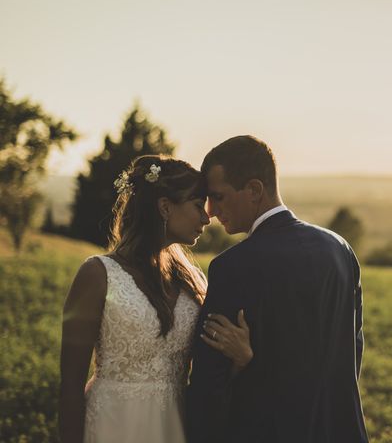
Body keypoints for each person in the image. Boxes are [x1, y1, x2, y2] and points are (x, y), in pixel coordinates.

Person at [59, 155, 253, 443]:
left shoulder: (193, 281)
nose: (206, 217)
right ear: (165, 207)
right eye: (198, 206)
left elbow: (207, 371)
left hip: (174, 426)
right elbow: (70, 387)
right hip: (113, 425)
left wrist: (240, 356)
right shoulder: (97, 274)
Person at [187, 136, 369, 442]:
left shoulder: (233, 267)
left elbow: (210, 381)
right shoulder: (340, 249)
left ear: (254, 190)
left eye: (218, 197)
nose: (210, 211)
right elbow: (353, 348)